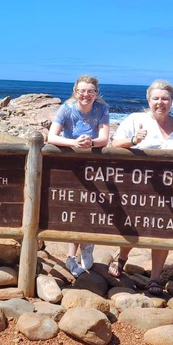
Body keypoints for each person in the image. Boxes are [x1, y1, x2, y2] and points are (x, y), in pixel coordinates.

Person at [111, 79, 173, 294]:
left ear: (172, 101)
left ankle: (155, 278)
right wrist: (134, 139)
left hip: (171, 188)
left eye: (165, 99)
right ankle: (121, 258)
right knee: (132, 224)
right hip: (138, 186)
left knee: (163, 230)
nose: (160, 102)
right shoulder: (135, 119)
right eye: (156, 98)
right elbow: (115, 144)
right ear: (149, 100)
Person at [47, 75, 110, 277]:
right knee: (75, 207)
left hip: (93, 164)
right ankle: (71, 256)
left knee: (93, 205)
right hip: (71, 165)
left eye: (91, 91)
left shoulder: (102, 109)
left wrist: (89, 142)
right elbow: (51, 136)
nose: (86, 95)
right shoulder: (66, 108)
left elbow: (104, 138)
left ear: (96, 93)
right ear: (75, 91)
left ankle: (87, 243)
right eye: (82, 90)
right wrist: (74, 143)